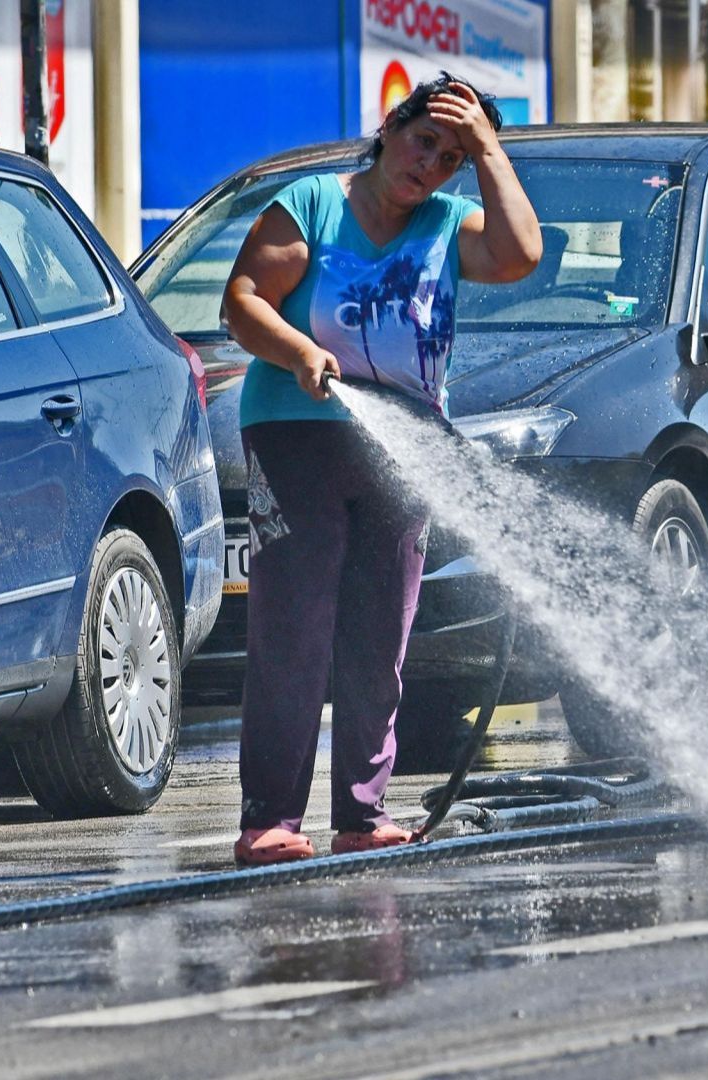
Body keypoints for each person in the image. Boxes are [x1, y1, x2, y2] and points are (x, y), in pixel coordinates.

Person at [221, 74, 541, 865]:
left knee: (379, 636)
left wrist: (492, 150)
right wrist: (299, 352)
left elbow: (521, 253)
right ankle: (269, 820)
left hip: (404, 447)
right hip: (298, 432)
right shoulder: (313, 208)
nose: (430, 163)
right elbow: (242, 301)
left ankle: (361, 814)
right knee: (294, 631)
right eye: (424, 139)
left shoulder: (448, 226)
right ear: (391, 128)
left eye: (451, 156)